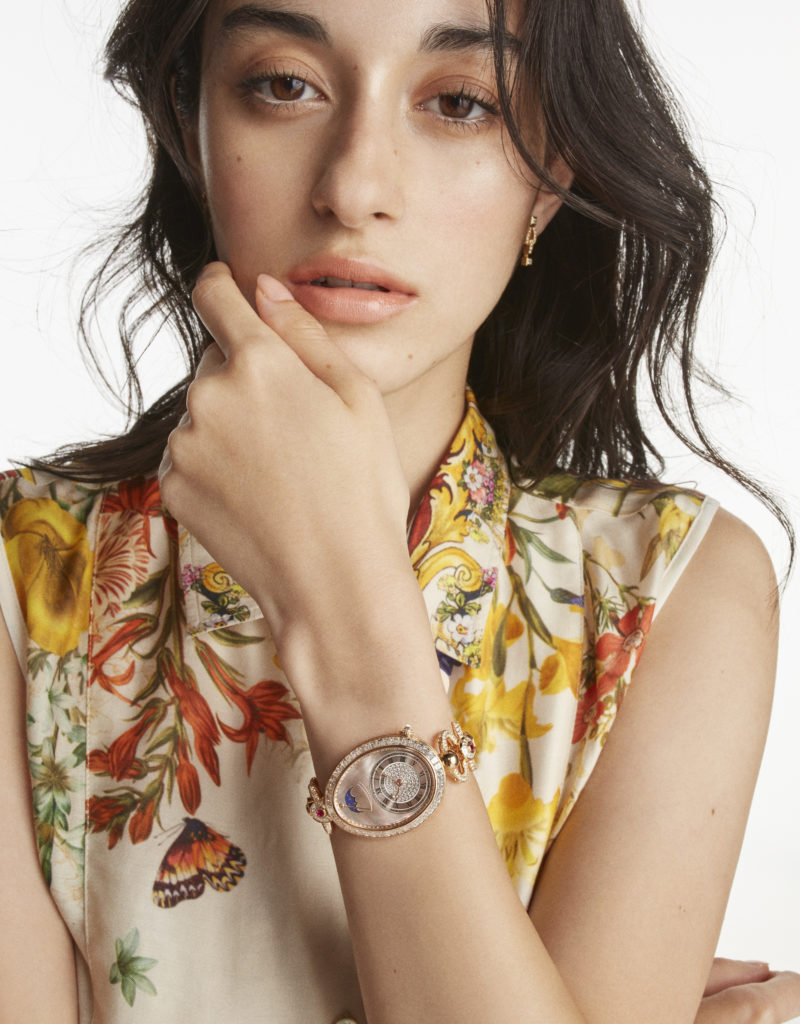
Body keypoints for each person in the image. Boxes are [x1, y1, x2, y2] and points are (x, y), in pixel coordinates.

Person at [1, 0, 798, 1021]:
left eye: (459, 104)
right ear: (188, 127)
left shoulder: (666, 589)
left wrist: (343, 609)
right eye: (284, 85)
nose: (354, 188)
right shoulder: (24, 583)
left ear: (550, 180)